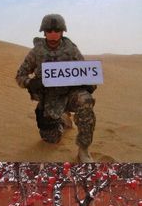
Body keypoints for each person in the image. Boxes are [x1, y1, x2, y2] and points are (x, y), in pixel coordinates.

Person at [15, 14, 97, 162]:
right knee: (50, 139)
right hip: (49, 99)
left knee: (86, 100)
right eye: (49, 30)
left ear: (62, 32)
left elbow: (87, 73)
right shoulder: (36, 52)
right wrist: (30, 83)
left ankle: (83, 149)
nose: (53, 34)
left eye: (57, 30)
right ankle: (62, 118)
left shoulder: (71, 50)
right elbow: (20, 76)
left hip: (71, 94)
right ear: (44, 32)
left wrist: (88, 84)